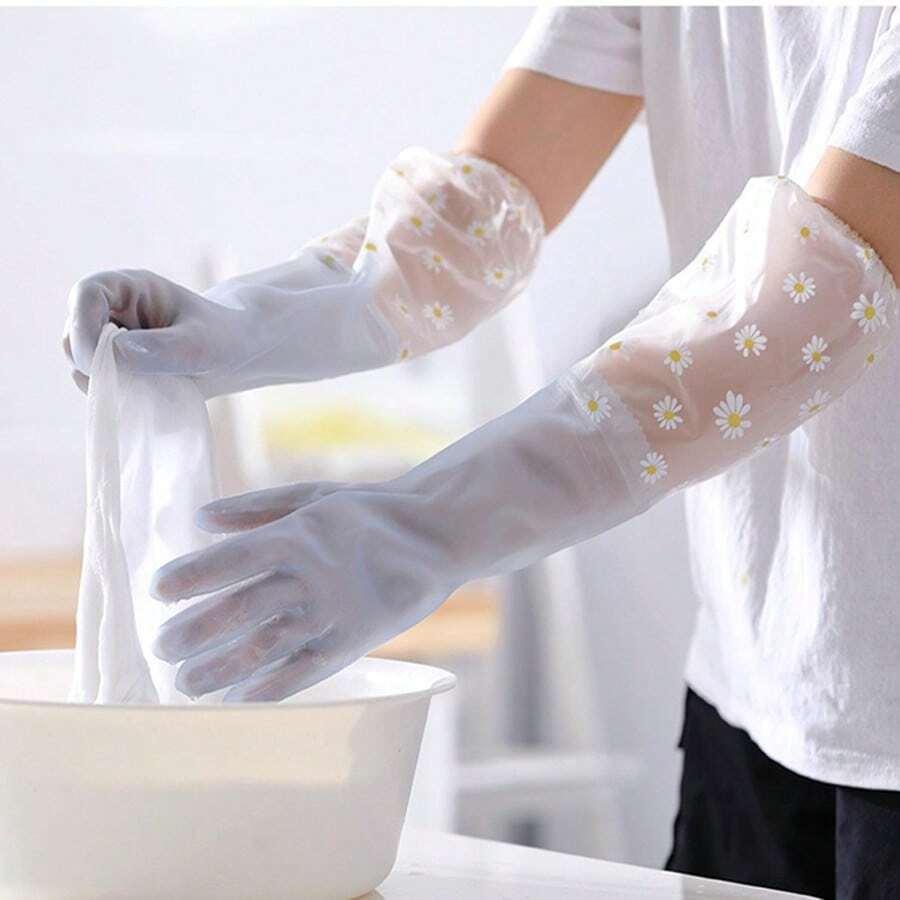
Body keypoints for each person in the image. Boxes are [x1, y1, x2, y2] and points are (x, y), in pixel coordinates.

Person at [63, 7, 900, 898]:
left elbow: (803, 300)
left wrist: (428, 523)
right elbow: (484, 206)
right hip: (756, 673)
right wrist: (252, 318)